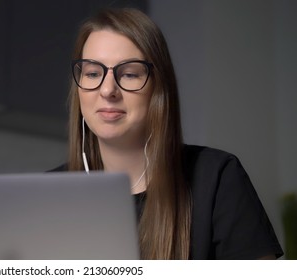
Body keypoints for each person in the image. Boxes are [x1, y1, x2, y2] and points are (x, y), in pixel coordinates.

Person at [51, 8, 283, 260]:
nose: (108, 90)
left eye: (129, 74)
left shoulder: (217, 178)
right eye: (93, 73)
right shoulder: (48, 194)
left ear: (158, 88)